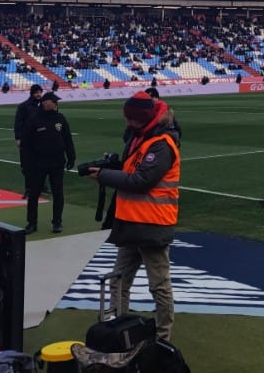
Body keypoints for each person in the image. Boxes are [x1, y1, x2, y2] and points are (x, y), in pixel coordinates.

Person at [91, 91, 181, 341]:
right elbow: (133, 171)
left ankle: (163, 338)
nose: (127, 122)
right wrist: (110, 168)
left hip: (152, 223)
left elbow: (142, 180)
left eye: (131, 118)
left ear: (144, 118)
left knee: (158, 285)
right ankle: (119, 330)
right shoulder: (141, 137)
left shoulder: (161, 143)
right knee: (118, 280)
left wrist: (104, 176)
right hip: (131, 221)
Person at [20, 92, 75, 234]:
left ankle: (57, 222)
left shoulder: (60, 118)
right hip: (38, 163)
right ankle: (32, 223)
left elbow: (67, 138)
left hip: (57, 162)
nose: (56, 103)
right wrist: (27, 163)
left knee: (58, 193)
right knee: (34, 194)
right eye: (53, 101)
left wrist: (71, 156)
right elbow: (25, 143)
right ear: (45, 103)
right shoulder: (34, 119)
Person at [13, 84, 44, 196]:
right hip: (27, 140)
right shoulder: (24, 106)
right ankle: (29, 188)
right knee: (27, 165)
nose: (39, 94)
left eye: (40, 92)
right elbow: (18, 123)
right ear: (32, 93)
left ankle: (41, 186)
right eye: (37, 92)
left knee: (41, 164)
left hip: (40, 139)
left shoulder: (42, 105)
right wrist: (18, 138)